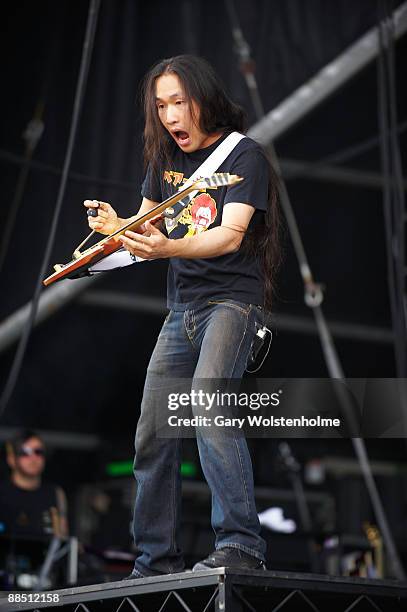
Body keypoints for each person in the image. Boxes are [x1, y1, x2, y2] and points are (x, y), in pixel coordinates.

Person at [84, 54, 280, 578]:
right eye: (162, 106)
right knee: (152, 431)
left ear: (203, 100)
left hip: (233, 304)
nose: (171, 116)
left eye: (179, 103)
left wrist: (165, 248)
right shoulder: (164, 160)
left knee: (208, 403)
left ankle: (241, 545)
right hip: (182, 311)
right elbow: (146, 231)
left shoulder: (245, 155)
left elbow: (228, 235)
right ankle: (153, 560)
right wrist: (114, 226)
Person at [0, 430, 68, 539]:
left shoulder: (55, 493)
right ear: (11, 459)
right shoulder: (2, 493)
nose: (33, 458)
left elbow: (62, 537)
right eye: (25, 453)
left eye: (38, 452)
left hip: (45, 554)